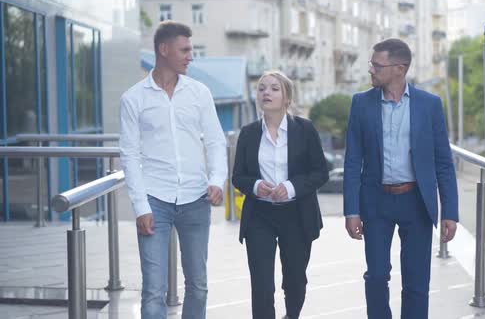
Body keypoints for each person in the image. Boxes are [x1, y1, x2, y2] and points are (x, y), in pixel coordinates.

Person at [343, 38, 459, 319]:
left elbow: (443, 162)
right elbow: (352, 161)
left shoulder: (429, 105)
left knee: (417, 281)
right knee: (377, 275)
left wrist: (450, 212)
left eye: (377, 65)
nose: (370, 70)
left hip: (416, 202)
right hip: (376, 202)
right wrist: (352, 211)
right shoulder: (361, 103)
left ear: (399, 68)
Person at [119, 21, 227, 319]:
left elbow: (217, 141)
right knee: (153, 288)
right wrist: (140, 207)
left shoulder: (200, 93)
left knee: (198, 284)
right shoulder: (133, 99)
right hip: (154, 199)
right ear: (163, 50)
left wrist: (217, 180)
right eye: (185, 50)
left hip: (196, 199)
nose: (190, 56)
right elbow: (129, 155)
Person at [232, 70, 329, 319]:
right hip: (260, 216)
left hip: (297, 214)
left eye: (274, 88)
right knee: (262, 284)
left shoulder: (305, 130)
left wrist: (291, 187)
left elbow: (320, 172)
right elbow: (238, 176)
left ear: (287, 97)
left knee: (295, 281)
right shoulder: (249, 133)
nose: (267, 92)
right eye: (262, 88)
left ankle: (291, 315)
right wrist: (255, 186)